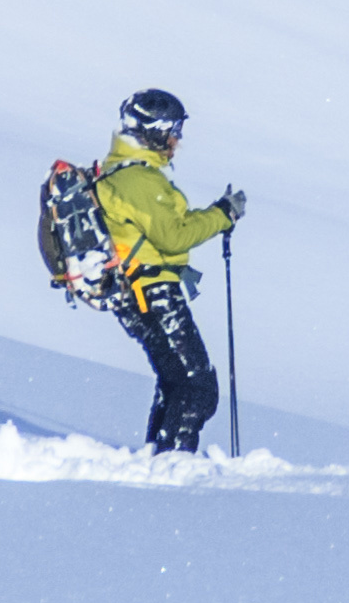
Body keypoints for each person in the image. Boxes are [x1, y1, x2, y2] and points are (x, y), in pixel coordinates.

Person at [93, 88, 245, 454]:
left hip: (140, 291)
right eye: (172, 130)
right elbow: (175, 237)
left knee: (177, 381)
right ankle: (172, 462)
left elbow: (167, 228)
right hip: (151, 293)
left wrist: (217, 212)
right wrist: (224, 215)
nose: (177, 139)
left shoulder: (131, 173)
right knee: (198, 388)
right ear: (153, 130)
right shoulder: (137, 180)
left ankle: (160, 458)